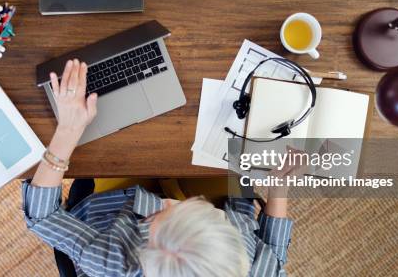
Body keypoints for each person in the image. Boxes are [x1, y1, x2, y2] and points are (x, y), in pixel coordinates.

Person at [22, 59, 294, 277]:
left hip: (115, 207)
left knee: (109, 138)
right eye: (200, 209)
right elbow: (274, 256)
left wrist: (69, 129)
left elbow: (43, 216)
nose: (168, 203)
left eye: (155, 218)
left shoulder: (111, 265)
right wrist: (279, 190)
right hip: (231, 200)